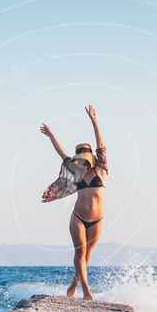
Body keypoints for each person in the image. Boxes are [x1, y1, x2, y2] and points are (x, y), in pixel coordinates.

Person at [40, 105, 108, 300]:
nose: (84, 162)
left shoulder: (102, 170)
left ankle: (75, 281)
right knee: (80, 253)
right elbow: (61, 153)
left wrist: (94, 120)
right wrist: (51, 134)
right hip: (78, 218)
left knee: (87, 257)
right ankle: (86, 290)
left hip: (97, 220)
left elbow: (101, 144)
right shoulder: (75, 173)